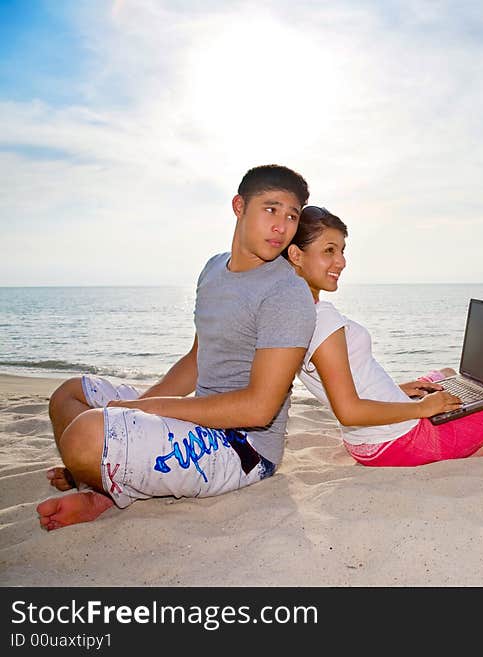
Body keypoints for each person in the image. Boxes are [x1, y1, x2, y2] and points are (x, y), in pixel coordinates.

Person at [38, 164, 316, 530]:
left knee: (85, 435)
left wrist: (143, 409)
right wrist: (136, 410)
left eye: (292, 216)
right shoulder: (214, 270)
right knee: (67, 395)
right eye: (270, 209)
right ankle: (101, 483)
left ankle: (101, 487)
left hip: (242, 447)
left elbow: (260, 408)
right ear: (239, 206)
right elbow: (197, 360)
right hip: (198, 416)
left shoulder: (286, 293)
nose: (281, 226)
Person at [284, 206, 483, 467]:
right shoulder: (323, 320)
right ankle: (462, 457)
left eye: (342, 251)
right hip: (399, 441)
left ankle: (448, 426)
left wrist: (396, 391)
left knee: (444, 375)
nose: (341, 261)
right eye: (329, 250)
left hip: (364, 444)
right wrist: (422, 408)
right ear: (296, 254)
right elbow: (349, 411)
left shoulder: (294, 315)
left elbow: (341, 385)